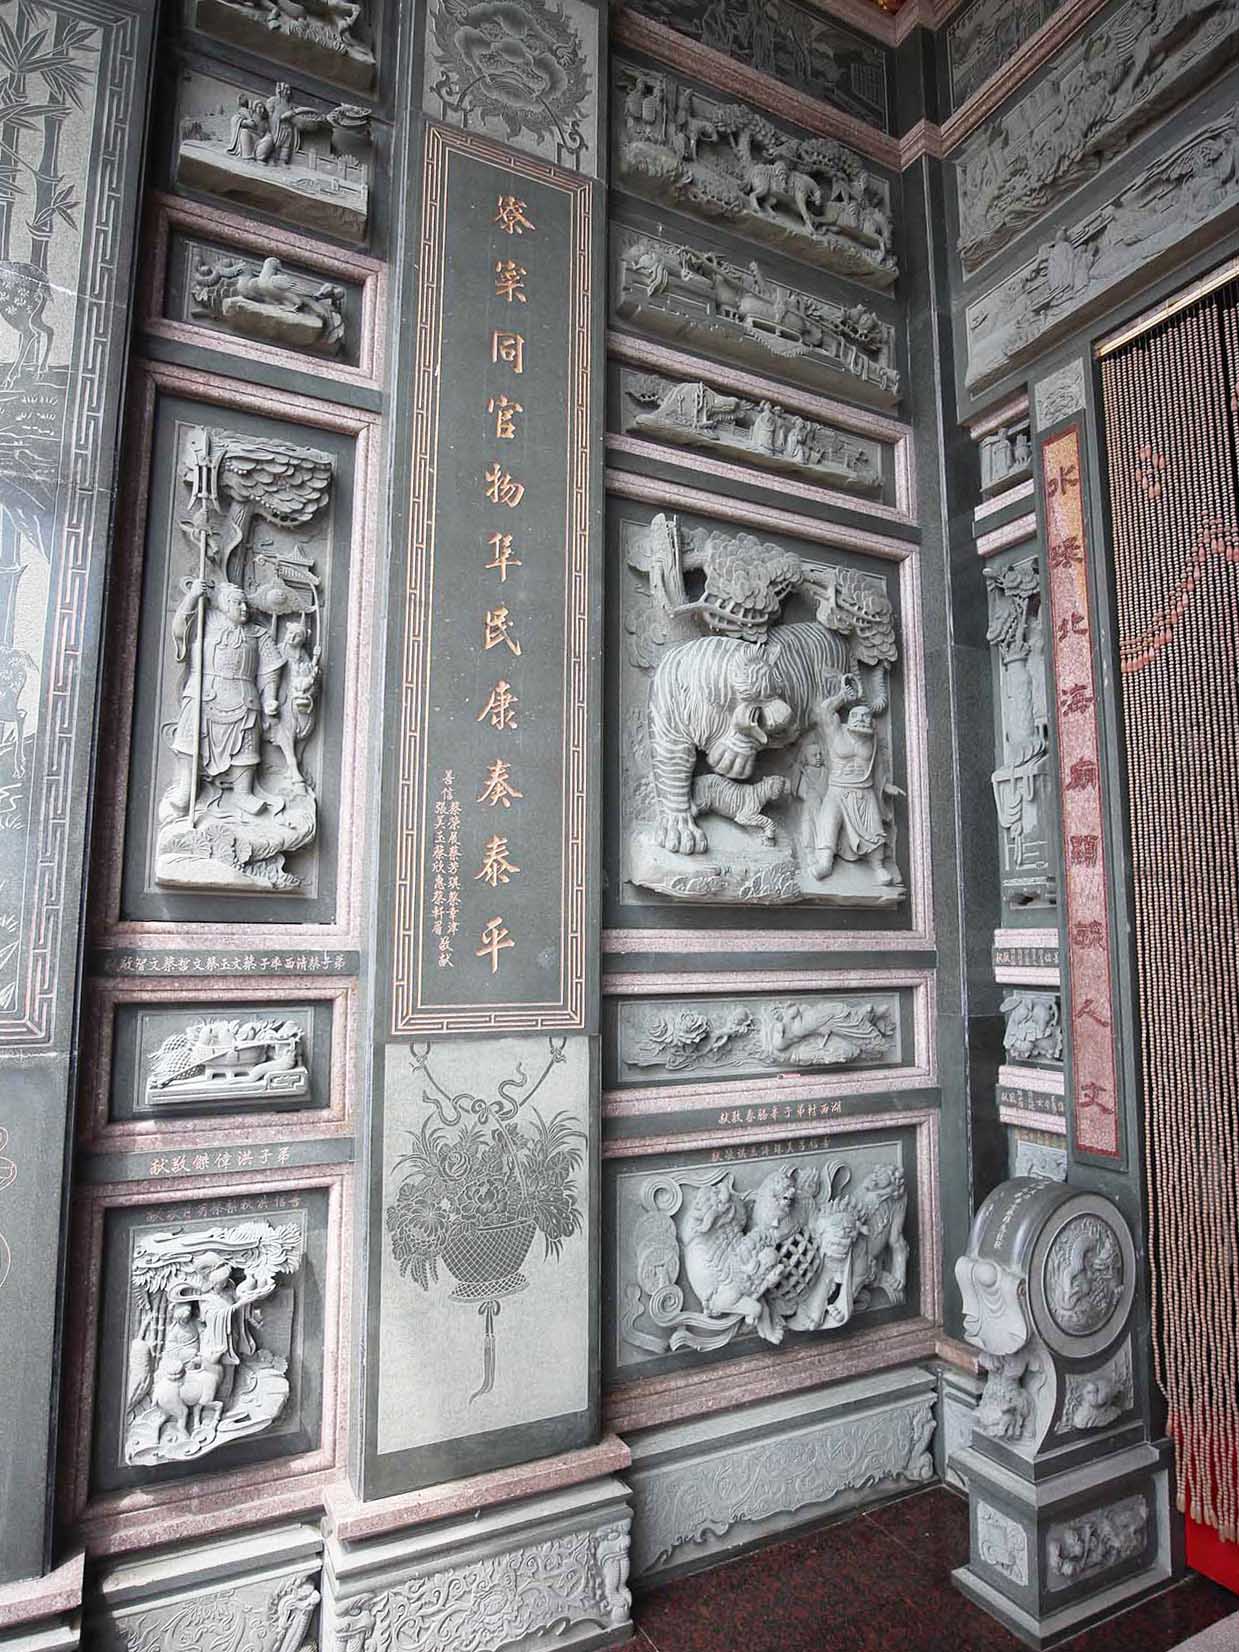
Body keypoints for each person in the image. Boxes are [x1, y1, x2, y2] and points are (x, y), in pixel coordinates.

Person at [160, 578, 285, 824]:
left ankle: (242, 792)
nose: (244, 608)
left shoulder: (258, 634)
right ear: (225, 604)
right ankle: (186, 787)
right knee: (189, 740)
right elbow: (179, 630)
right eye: (238, 603)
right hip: (205, 691)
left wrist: (270, 697)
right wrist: (193, 597)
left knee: (247, 745)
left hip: (243, 695)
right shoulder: (205, 621)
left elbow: (271, 669)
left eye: (246, 604)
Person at [811, 685, 894, 884]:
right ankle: (824, 863)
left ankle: (878, 867)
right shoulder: (837, 731)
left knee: (874, 829)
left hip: (864, 790)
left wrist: (885, 785)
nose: (861, 720)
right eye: (857, 715)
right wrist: (842, 697)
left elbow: (877, 766)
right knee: (828, 821)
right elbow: (824, 711)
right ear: (849, 718)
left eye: (866, 717)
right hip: (837, 789)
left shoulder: (871, 739)